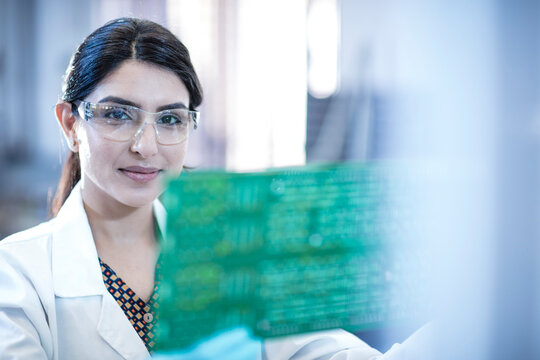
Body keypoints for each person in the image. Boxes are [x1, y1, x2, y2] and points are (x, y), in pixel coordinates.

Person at [0, 17, 386, 359]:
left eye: (170, 119)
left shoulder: (233, 252)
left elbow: (328, 350)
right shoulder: (17, 274)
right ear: (70, 124)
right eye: (117, 114)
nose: (146, 147)